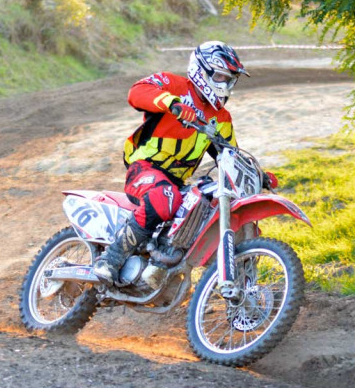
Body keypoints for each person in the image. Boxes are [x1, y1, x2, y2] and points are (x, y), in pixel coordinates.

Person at [92, 42, 274, 291]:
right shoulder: (172, 85)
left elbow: (231, 155)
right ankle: (110, 260)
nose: (225, 84)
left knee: (205, 204)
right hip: (144, 167)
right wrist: (172, 104)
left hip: (177, 182)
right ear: (202, 71)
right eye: (220, 76)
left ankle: (170, 266)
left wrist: (259, 175)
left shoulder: (221, 118)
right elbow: (136, 92)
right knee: (164, 197)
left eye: (229, 79)